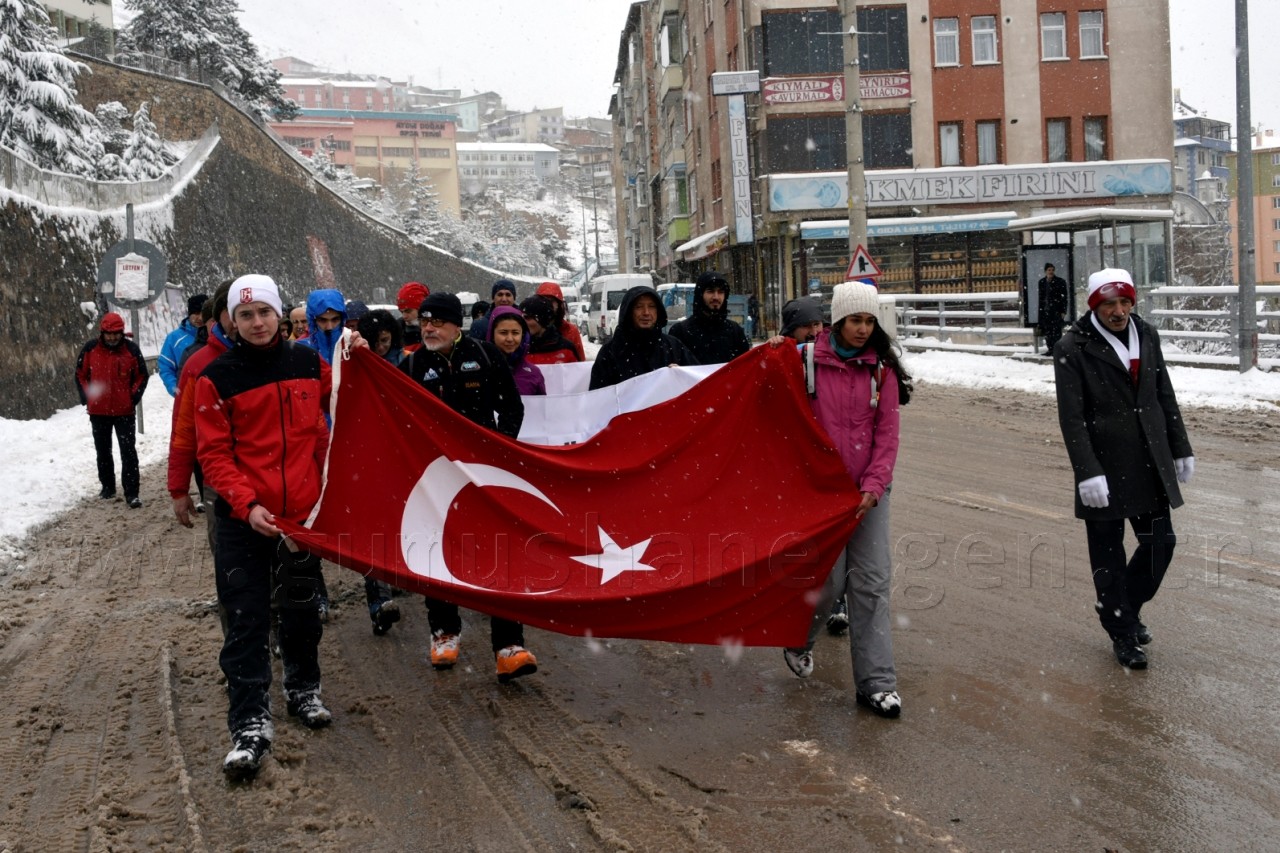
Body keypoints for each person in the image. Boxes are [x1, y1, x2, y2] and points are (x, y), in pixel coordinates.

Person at [194, 274, 336, 780]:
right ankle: (249, 723)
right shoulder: (217, 376)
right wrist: (246, 503)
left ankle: (304, 690)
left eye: (265, 313)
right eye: (246, 314)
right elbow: (212, 453)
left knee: (300, 613)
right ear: (232, 319)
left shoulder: (304, 362)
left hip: (300, 518)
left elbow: (346, 391)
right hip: (243, 521)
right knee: (247, 621)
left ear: (280, 314)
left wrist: (356, 350)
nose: (257, 323)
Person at [776, 281, 911, 719]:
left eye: (870, 321)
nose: (863, 329)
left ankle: (877, 683)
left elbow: (887, 435)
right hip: (820, 498)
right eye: (855, 320)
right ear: (837, 320)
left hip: (868, 495)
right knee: (829, 583)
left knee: (870, 583)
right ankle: (799, 638)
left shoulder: (881, 369)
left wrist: (874, 486)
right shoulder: (805, 361)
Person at [1053, 268, 1194, 670]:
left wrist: (1180, 447)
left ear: (1133, 301)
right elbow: (1072, 417)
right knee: (1108, 554)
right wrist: (1087, 471)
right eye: (1109, 303)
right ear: (1095, 305)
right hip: (1103, 469)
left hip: (1149, 463)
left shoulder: (1146, 334)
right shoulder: (1072, 347)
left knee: (1160, 543)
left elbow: (1163, 393)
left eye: (1124, 302)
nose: (1118, 311)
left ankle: (1123, 609)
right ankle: (1122, 633)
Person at [399, 292, 537, 682]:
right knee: (435, 551)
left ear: (455, 325)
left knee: (498, 550)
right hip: (436, 478)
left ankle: (508, 645)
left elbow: (512, 407)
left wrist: (500, 452)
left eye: (437, 322)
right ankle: (444, 632)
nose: (428, 328)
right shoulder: (412, 364)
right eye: (424, 322)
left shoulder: (486, 355)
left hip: (483, 475)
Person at [170, 281, 236, 527]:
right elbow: (184, 429)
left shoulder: (285, 358)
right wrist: (178, 488)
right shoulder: (198, 364)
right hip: (219, 483)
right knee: (229, 556)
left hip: (281, 480)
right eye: (231, 310)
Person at [76, 312, 149, 507]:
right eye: (108, 333)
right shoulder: (90, 349)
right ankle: (107, 487)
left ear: (121, 333)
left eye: (116, 333)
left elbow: (142, 375)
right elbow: (80, 374)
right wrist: (87, 397)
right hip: (98, 412)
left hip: (124, 412)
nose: (112, 337)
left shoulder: (131, 350)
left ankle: (132, 492)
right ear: (102, 332)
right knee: (103, 451)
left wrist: (132, 397)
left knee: (128, 452)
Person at [588, 285, 698, 390]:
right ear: (629, 312)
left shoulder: (673, 347)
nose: (646, 313)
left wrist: (682, 374)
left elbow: (699, 383)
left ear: (658, 311)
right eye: (639, 307)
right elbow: (599, 397)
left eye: (651, 306)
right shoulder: (610, 352)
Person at [668, 271, 751, 364]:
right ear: (700, 294)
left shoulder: (735, 332)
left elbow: (747, 367)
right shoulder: (680, 332)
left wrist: (767, 349)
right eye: (710, 291)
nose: (716, 297)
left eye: (720, 292)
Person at [488, 305, 546, 395]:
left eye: (515, 333)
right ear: (492, 334)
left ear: (522, 335)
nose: (510, 339)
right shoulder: (481, 370)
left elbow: (543, 407)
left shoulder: (533, 373)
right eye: (503, 333)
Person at [158, 294, 207, 395]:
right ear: (189, 314)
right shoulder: (174, 338)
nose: (200, 317)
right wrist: (176, 390)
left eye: (203, 313)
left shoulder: (216, 335)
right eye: (196, 313)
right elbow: (165, 368)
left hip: (214, 398)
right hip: (187, 399)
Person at [521, 295, 581, 366]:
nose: (522, 322)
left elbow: (578, 374)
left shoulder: (566, 349)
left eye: (527, 317)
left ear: (542, 320)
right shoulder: (516, 347)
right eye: (520, 317)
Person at [535, 281, 586, 360]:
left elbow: (580, 363)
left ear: (559, 304)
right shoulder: (530, 330)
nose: (547, 304)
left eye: (551, 301)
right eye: (543, 300)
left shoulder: (571, 331)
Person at [298, 288, 346, 365]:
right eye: (323, 320)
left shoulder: (352, 347)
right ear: (313, 321)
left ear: (342, 320)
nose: (329, 327)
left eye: (335, 320)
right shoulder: (300, 350)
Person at [1037, 263, 1070, 354]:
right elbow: (1041, 298)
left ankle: (1056, 349)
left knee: (1056, 331)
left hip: (1056, 310)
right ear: (1045, 271)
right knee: (1048, 331)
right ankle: (1050, 348)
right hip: (1046, 310)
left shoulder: (1060, 281)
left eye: (1052, 270)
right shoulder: (1042, 282)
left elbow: (1064, 297)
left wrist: (1063, 310)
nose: (1051, 272)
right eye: (1049, 270)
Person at [397, 281, 429, 355]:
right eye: (401, 312)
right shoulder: (396, 331)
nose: (404, 316)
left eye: (408, 311)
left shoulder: (439, 328)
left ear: (421, 308)